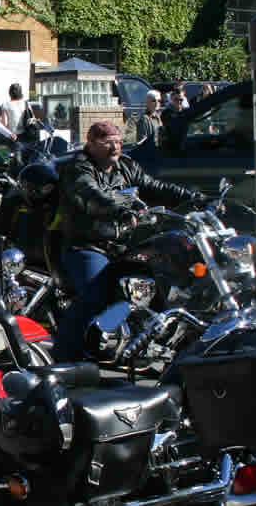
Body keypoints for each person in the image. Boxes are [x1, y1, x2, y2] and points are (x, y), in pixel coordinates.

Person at [52, 121, 201, 361]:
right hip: (89, 246)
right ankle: (64, 357)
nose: (115, 148)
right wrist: (121, 207)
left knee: (164, 279)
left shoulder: (125, 166)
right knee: (96, 295)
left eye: (119, 142)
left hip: (124, 246)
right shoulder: (78, 169)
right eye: (107, 143)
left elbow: (155, 186)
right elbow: (92, 196)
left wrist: (192, 197)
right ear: (91, 145)